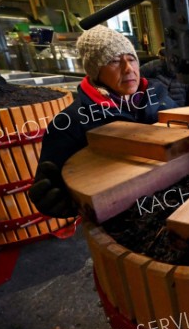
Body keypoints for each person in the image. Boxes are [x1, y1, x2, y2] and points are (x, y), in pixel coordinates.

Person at [29, 25, 177, 218]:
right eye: (114, 61)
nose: (128, 68)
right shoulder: (70, 123)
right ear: (95, 71)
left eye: (131, 59)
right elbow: (55, 184)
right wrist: (55, 199)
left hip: (172, 202)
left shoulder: (159, 97)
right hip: (122, 217)